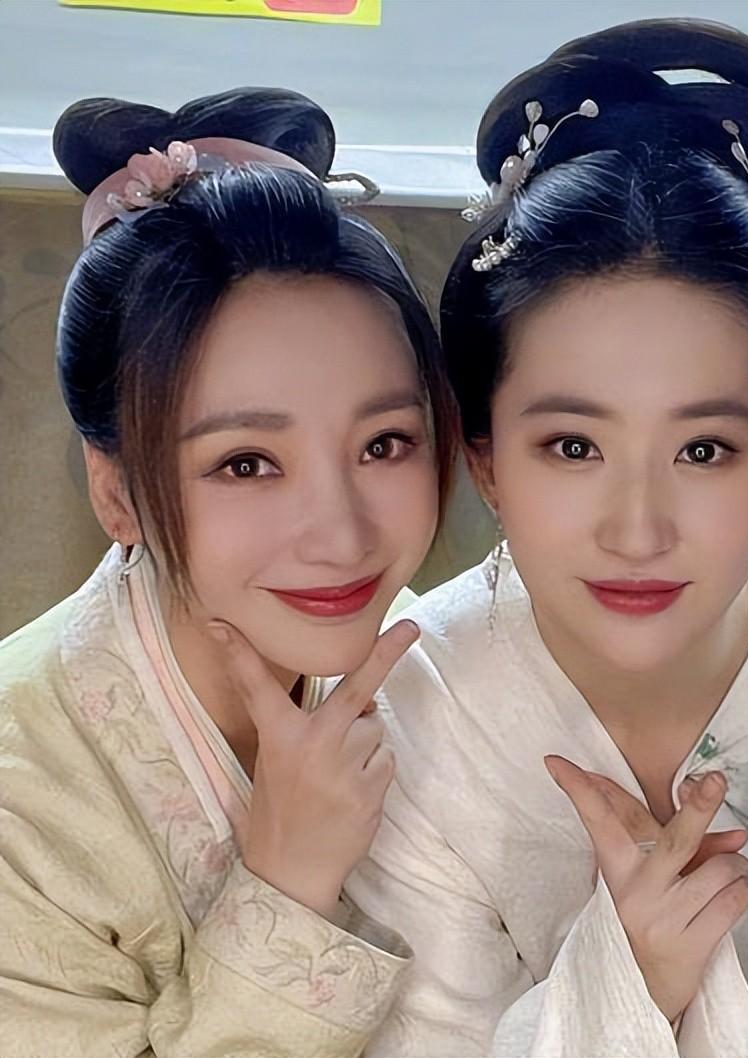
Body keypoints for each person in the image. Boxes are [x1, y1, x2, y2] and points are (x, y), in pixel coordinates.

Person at [343, 19, 748, 1058]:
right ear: (485, 460)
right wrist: (623, 983)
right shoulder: (410, 705)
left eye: (704, 450)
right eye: (572, 446)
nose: (637, 529)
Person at [0, 87, 458, 1057]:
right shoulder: (19, 809)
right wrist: (287, 886)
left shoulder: (450, 670)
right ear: (117, 492)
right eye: (246, 463)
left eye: (384, 442)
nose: (341, 536)